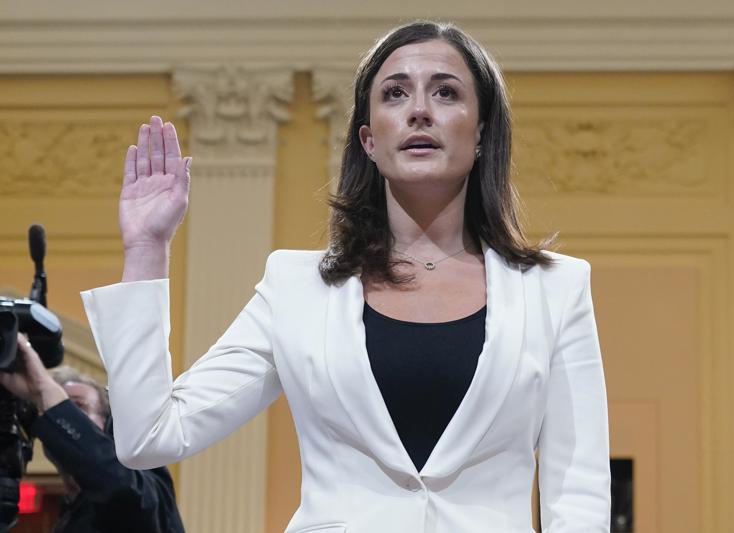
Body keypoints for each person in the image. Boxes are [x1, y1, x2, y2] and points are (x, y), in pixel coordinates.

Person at [80, 20, 610, 533]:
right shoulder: (295, 287)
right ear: (368, 140)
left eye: (446, 93)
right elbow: (149, 435)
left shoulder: (556, 290)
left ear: (481, 135)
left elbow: (578, 493)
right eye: (395, 94)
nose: (420, 111)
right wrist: (147, 247)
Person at [0, 335, 184, 533]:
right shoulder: (69, 516)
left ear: (107, 425)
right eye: (55, 407)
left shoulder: (148, 487)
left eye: (78, 407)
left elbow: (123, 490)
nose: (58, 416)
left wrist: (44, 388)